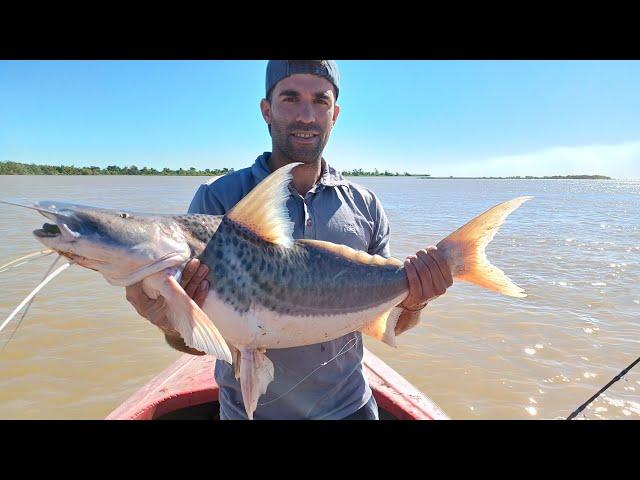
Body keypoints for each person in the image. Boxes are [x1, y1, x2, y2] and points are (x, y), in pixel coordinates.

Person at [125, 60, 453, 420]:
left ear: (335, 114)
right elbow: (194, 343)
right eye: (291, 99)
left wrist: (417, 301)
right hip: (247, 413)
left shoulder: (365, 205)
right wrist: (167, 320)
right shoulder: (217, 201)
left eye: (320, 101)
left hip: (351, 408)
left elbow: (392, 325)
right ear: (267, 110)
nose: (307, 116)